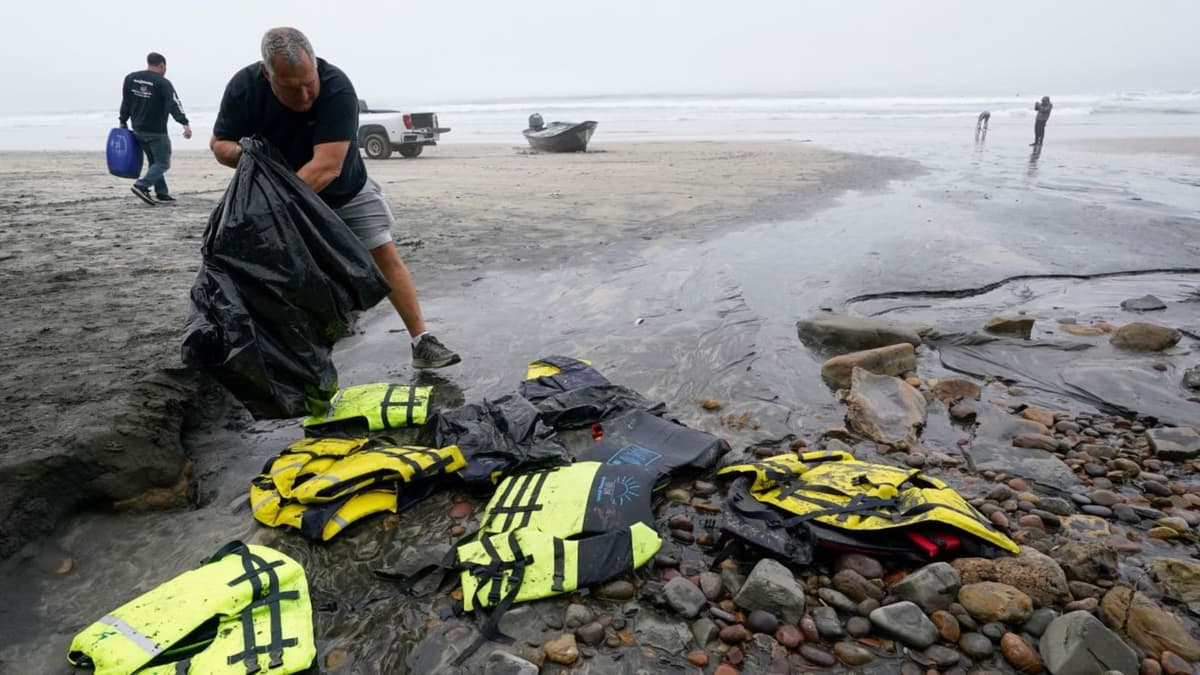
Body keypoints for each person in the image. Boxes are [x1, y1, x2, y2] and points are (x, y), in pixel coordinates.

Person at [209, 27, 460, 369]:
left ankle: (422, 342)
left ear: (315, 64)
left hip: (344, 191)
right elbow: (219, 145)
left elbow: (326, 167)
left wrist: (277, 211)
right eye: (291, 87)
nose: (305, 95)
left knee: (384, 255)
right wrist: (247, 154)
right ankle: (292, 360)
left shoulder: (337, 88)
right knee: (285, 277)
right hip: (279, 199)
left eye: (309, 82)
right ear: (266, 74)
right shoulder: (243, 88)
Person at [119, 52, 192, 204]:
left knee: (154, 161)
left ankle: (162, 192)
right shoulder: (162, 82)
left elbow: (126, 101)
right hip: (156, 131)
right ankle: (142, 185)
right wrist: (184, 123)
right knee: (163, 163)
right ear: (161, 65)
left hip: (138, 128)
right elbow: (173, 103)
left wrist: (123, 121)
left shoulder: (131, 78)